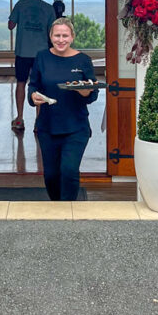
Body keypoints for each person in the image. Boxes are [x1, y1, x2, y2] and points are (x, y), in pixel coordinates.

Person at [29, 18, 97, 201]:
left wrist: (84, 91)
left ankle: (68, 211)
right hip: (47, 127)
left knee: (69, 171)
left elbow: (93, 94)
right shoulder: (42, 57)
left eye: (65, 35)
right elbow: (33, 85)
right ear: (50, 37)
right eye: (57, 35)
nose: (61, 39)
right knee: (51, 175)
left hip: (76, 127)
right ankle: (56, 207)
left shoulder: (83, 60)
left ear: (72, 37)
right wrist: (32, 96)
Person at [8, 0, 55, 131]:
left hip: (23, 51)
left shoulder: (21, 4)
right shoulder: (48, 8)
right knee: (39, 86)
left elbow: (10, 25)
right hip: (41, 53)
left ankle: (20, 118)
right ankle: (38, 121)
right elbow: (52, 31)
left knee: (21, 83)